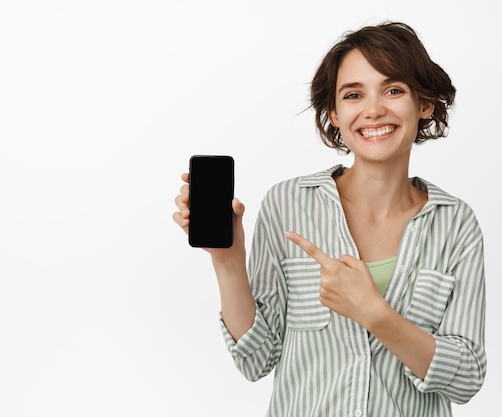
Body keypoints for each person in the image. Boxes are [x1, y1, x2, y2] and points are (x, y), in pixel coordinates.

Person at [173, 21, 486, 417]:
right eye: (353, 95)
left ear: (424, 104)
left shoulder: (456, 224)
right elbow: (256, 361)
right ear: (334, 114)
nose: (373, 109)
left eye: (393, 90)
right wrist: (227, 259)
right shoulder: (288, 204)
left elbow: (466, 379)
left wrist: (374, 314)